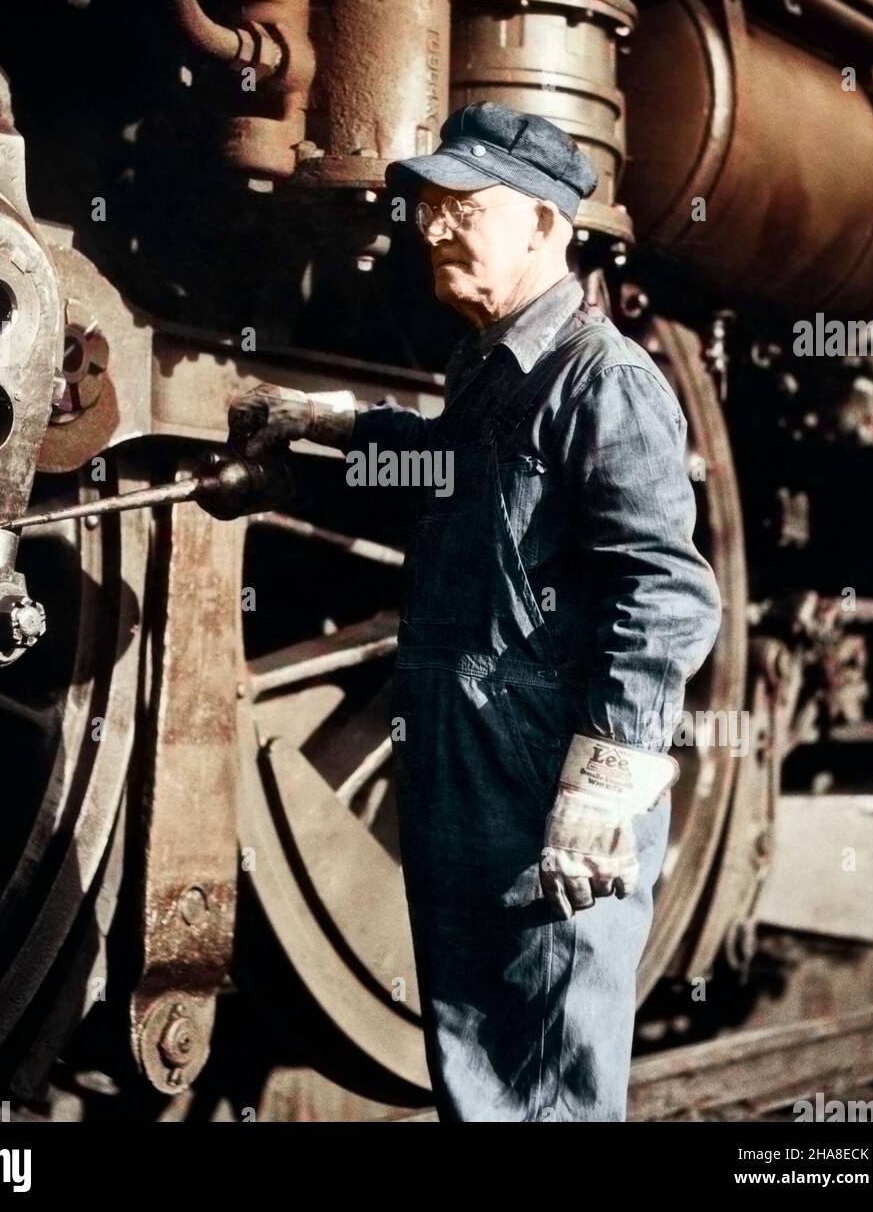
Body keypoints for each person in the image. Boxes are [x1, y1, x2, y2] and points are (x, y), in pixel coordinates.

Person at [228, 101, 723, 1121]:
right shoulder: (492, 370)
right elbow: (442, 481)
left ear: (547, 223)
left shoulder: (605, 382)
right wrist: (321, 432)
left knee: (542, 1082)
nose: (434, 228)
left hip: (545, 781)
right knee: (481, 1071)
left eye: (465, 206)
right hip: (468, 771)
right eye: (429, 207)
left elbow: (666, 592)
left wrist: (601, 783)